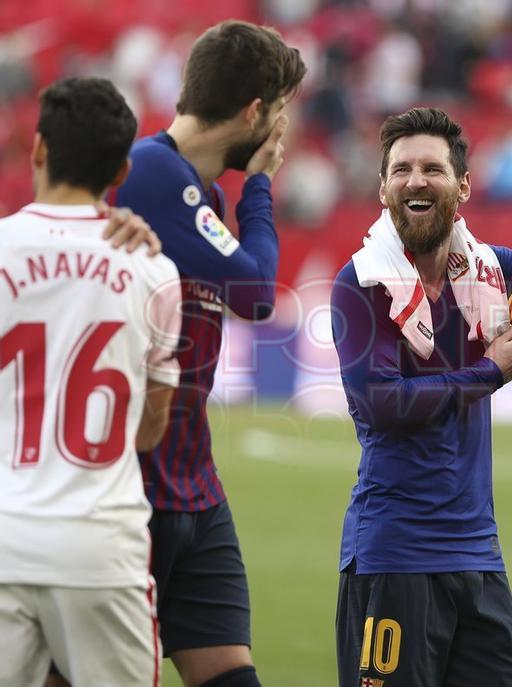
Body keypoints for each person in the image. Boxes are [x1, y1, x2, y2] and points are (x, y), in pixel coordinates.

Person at [331, 107, 512, 687]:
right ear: (383, 187)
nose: (415, 180)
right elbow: (381, 406)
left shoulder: (494, 270)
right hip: (395, 555)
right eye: (401, 170)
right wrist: (489, 374)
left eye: (431, 169)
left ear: (463, 186)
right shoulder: (362, 283)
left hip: (477, 559)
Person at [114, 20, 306, 687]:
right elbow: (256, 291)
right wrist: (262, 186)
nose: (281, 132)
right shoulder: (152, 173)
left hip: (194, 483)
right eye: (279, 113)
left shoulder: (199, 193)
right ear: (253, 112)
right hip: (130, 487)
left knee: (230, 673)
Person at [0, 77, 182, 687]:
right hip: (100, 544)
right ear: (123, 169)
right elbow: (151, 429)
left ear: (39, 149)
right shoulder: (154, 268)